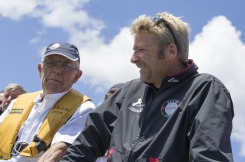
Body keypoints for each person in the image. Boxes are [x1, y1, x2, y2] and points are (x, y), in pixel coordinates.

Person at [61, 12, 234, 162]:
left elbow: (209, 157)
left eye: (141, 50)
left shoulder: (204, 90)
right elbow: (83, 147)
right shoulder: (128, 92)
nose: (133, 58)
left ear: (171, 51)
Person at [0, 42, 95, 162]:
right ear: (40, 70)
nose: (57, 70)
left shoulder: (83, 107)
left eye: (66, 66)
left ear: (77, 76)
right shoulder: (17, 102)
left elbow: (60, 150)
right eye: (51, 63)